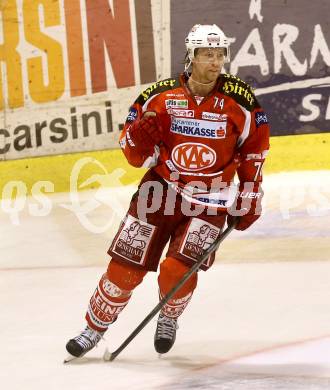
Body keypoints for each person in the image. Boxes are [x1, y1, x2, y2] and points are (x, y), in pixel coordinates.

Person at [65, 24, 270, 359]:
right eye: (207, 55)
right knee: (123, 270)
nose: (215, 62)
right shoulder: (158, 96)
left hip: (211, 197)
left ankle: (169, 316)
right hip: (160, 190)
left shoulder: (241, 101)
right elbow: (134, 154)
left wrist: (250, 193)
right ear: (191, 56)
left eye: (220, 55)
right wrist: (135, 141)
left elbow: (254, 151)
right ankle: (93, 329)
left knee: (177, 272)